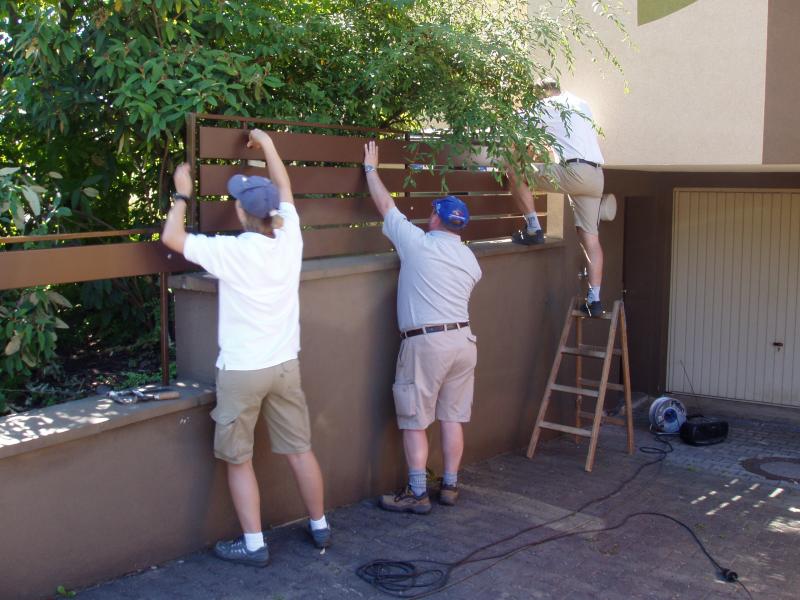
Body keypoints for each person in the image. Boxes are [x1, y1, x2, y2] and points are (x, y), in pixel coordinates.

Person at [162, 128, 330, 567]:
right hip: (284, 365)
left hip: (241, 370)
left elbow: (172, 239)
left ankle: (254, 545)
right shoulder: (290, 238)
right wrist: (268, 143)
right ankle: (320, 525)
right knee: (300, 449)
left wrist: (181, 194)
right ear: (272, 212)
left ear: (240, 212)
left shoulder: (231, 252)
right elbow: (286, 188)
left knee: (239, 459)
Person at [363, 140, 482, 514]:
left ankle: (417, 492)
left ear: (434, 219)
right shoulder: (470, 259)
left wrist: (371, 170)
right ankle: (449, 485)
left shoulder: (418, 244)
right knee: (452, 417)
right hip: (463, 342)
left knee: (415, 418)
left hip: (427, 344)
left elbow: (386, 205)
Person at [508, 78, 609, 317]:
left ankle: (533, 228)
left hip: (574, 171)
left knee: (514, 171)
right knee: (590, 238)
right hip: (596, 175)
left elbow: (516, 127)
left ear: (541, 94)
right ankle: (594, 300)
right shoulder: (581, 103)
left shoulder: (547, 105)